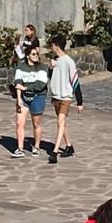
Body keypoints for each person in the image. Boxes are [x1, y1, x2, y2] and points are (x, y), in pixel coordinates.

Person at [10, 44, 49, 158]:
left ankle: (36, 146)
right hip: (23, 97)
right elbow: (18, 83)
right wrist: (18, 99)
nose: (36, 56)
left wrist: (26, 87)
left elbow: (40, 84)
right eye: (33, 54)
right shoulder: (20, 67)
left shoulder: (42, 67)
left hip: (37, 97)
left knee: (36, 123)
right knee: (19, 123)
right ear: (27, 56)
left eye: (37, 54)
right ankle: (20, 148)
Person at [47, 35, 79, 164]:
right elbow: (50, 76)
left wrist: (80, 101)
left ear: (56, 46)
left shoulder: (69, 62)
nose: (51, 48)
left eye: (52, 45)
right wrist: (50, 68)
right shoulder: (55, 60)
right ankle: (69, 146)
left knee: (60, 121)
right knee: (62, 123)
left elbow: (75, 81)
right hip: (56, 96)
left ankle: (54, 152)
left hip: (65, 96)